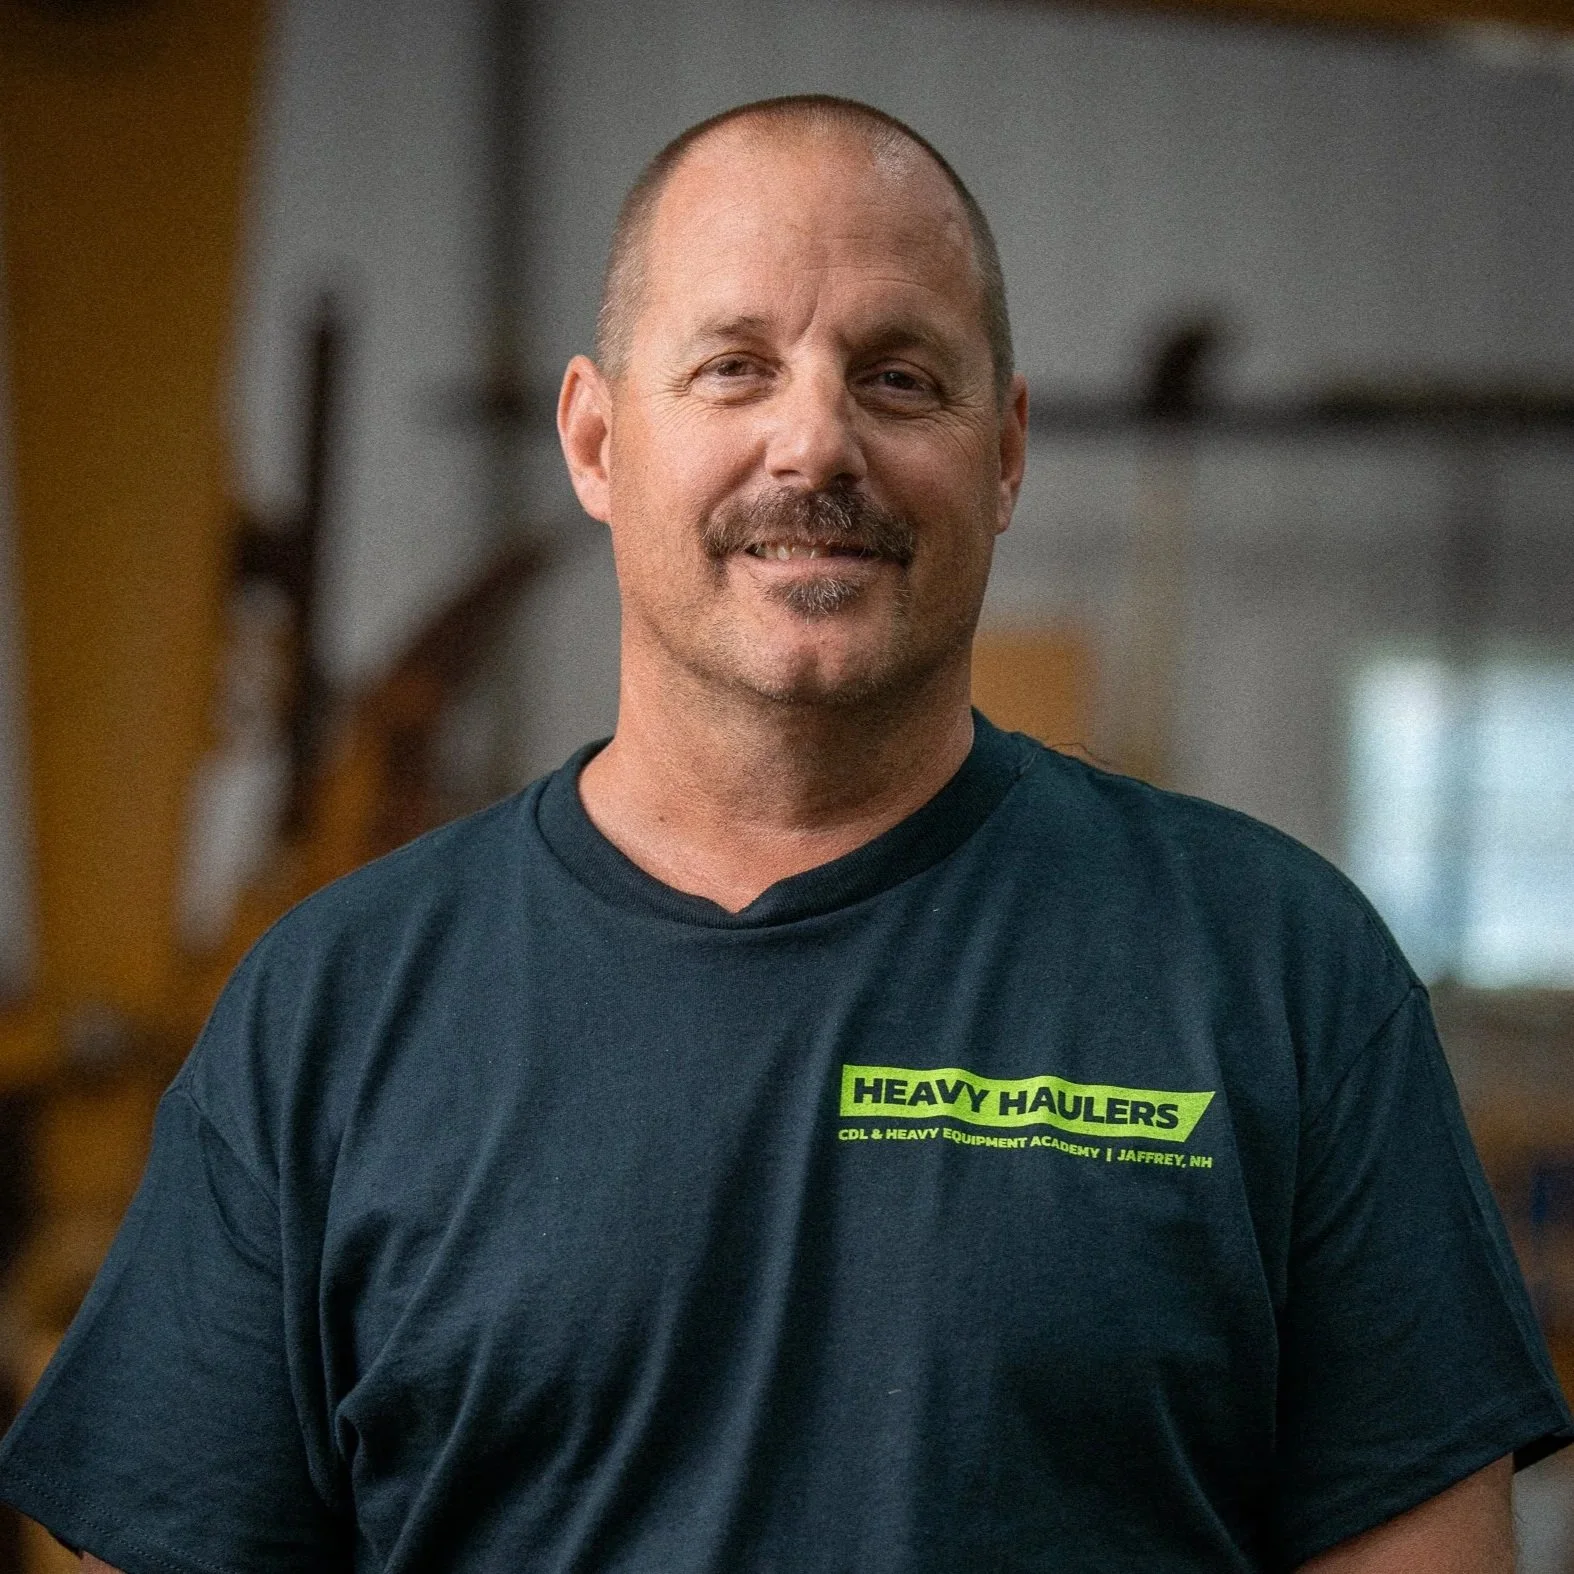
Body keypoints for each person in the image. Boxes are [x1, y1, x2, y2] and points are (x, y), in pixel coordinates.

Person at [0, 94, 1566, 1574]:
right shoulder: (334, 1011)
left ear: (1006, 447)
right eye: (734, 367)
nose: (813, 447)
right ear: (597, 441)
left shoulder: (1277, 972)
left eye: (897, 377)